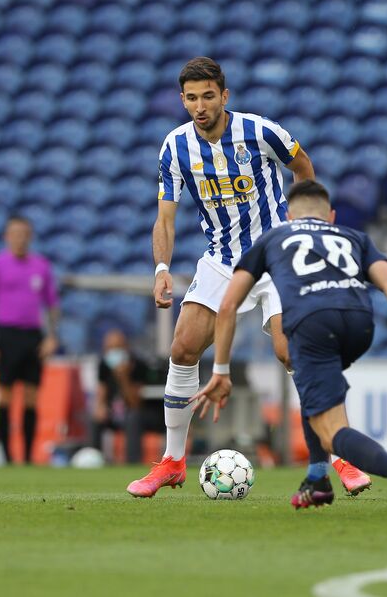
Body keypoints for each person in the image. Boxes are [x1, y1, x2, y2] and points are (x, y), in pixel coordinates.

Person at [127, 56, 370, 497]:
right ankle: (173, 461)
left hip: (276, 256)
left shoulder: (260, 132)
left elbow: (303, 166)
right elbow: (165, 218)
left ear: (224, 96)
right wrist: (161, 268)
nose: (200, 106)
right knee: (182, 347)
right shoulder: (175, 147)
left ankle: (342, 455)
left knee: (292, 351)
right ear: (182, 100)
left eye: (208, 96)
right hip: (222, 260)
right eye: (191, 98)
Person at [193, 180, 387, 519]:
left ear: (289, 216)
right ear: (330, 216)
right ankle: (318, 478)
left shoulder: (273, 237)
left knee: (331, 432)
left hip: (313, 323)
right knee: (311, 383)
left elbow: (229, 305)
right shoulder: (353, 237)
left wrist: (221, 370)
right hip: (359, 323)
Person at [0, 215, 60, 464]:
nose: (19, 238)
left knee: (31, 397)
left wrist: (52, 336)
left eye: (24, 233)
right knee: (4, 395)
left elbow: (52, 305)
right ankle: (6, 456)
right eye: (15, 233)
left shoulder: (41, 266)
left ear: (30, 236)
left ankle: (27, 457)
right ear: (6, 236)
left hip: (32, 335)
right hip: (5, 334)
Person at [92, 328, 163, 464]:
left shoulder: (139, 365)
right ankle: (94, 459)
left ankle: (132, 462)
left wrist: (124, 378)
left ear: (126, 348)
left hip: (145, 414)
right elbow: (102, 391)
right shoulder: (104, 365)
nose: (113, 352)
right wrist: (100, 407)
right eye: (110, 348)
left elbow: (135, 403)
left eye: (117, 347)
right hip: (117, 413)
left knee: (133, 417)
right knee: (95, 419)